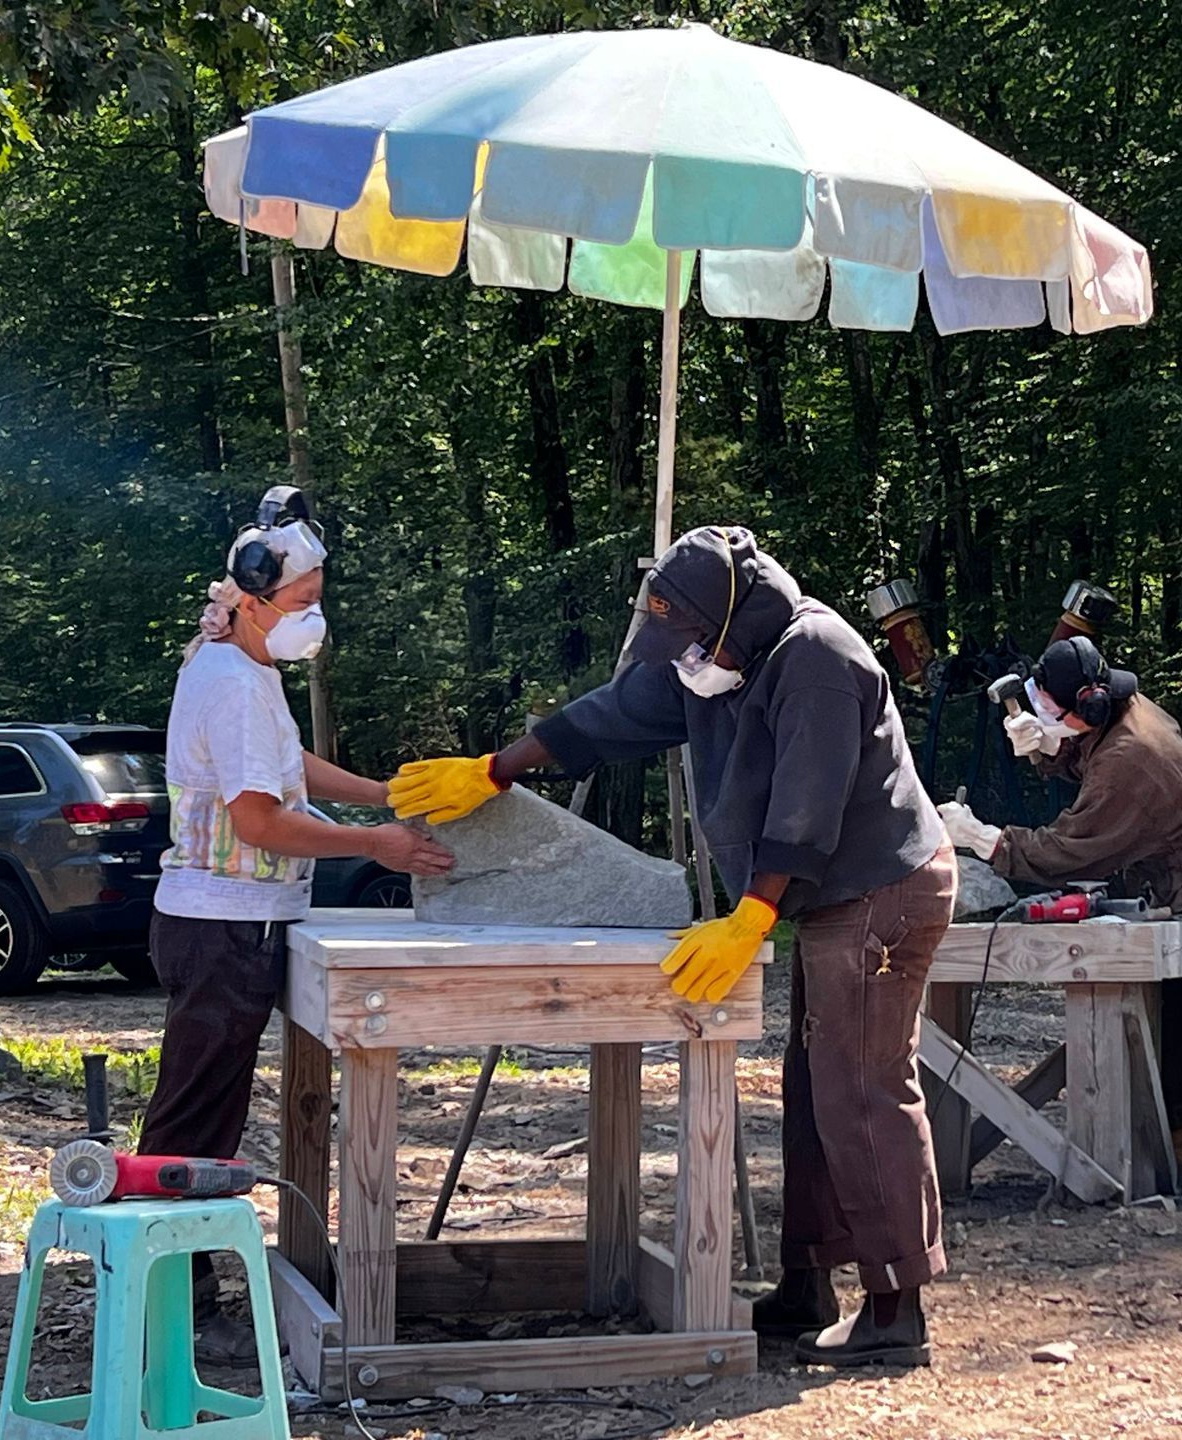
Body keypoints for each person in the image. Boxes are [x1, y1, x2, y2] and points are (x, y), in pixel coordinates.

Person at [390, 525, 956, 1368]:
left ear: (727, 617)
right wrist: (496, 768)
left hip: (882, 888)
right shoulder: (709, 661)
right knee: (812, 1090)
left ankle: (895, 1308)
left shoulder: (818, 657)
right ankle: (807, 1283)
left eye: (687, 639)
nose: (680, 659)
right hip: (830, 895)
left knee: (862, 1090)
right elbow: (612, 715)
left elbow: (809, 807)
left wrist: (754, 915)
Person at [141, 487, 454, 1363]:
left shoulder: (238, 669)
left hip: (227, 922)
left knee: (201, 1113)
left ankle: (174, 1295)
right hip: (223, 925)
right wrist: (377, 846)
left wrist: (384, 791)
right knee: (194, 1124)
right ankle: (173, 1309)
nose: (313, 620)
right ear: (252, 596)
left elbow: (287, 762)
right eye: (304, 604)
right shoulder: (234, 683)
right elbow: (260, 822)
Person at [936, 635, 1182, 1178]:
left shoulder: (1132, 754)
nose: (1043, 712)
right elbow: (1089, 757)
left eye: (1051, 709)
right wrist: (1048, 746)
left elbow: (1072, 847)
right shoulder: (1118, 713)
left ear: (1088, 702)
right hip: (1176, 876)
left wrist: (987, 841)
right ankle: (1175, 1147)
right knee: (1173, 1017)